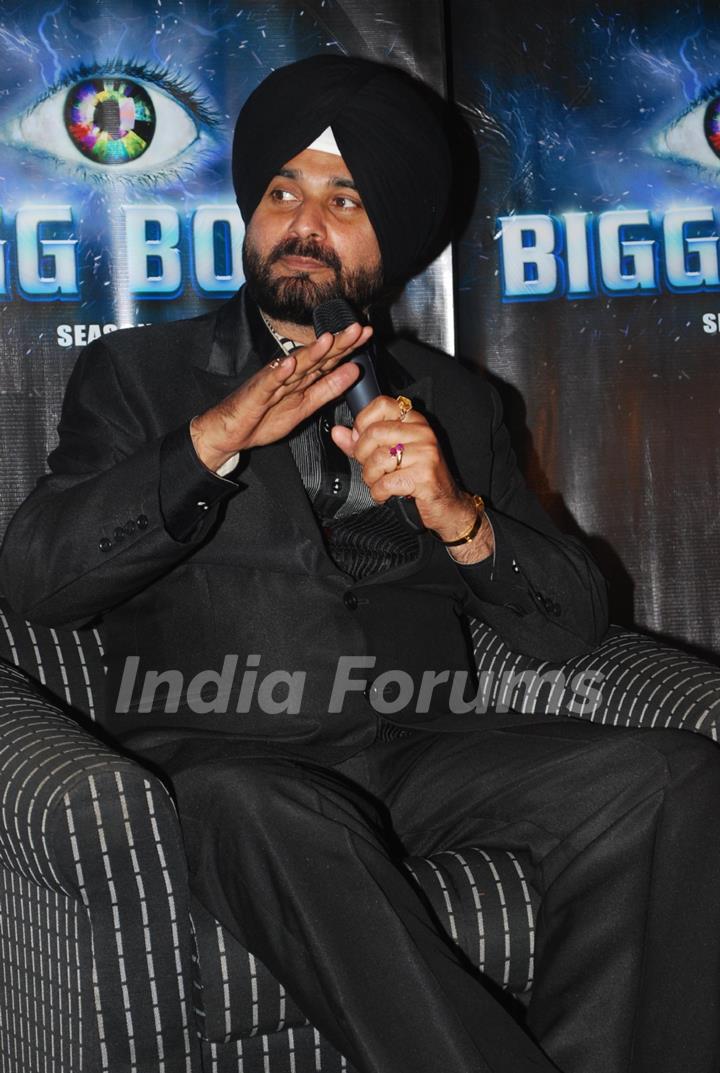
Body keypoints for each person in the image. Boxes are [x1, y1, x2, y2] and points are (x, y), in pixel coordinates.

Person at [2, 54, 720, 1073]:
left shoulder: (461, 404)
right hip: (225, 756)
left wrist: (460, 513)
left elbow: (569, 625)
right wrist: (207, 442)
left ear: (398, 239)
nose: (302, 221)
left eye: (344, 199)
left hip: (423, 747)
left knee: (672, 778)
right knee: (265, 806)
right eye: (283, 191)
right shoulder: (140, 375)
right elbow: (37, 580)